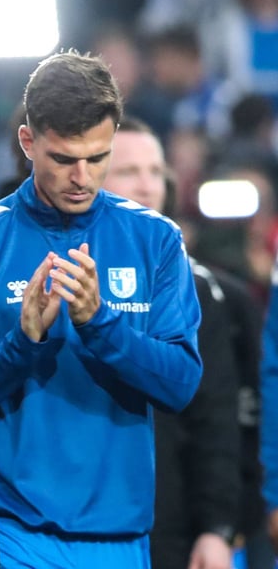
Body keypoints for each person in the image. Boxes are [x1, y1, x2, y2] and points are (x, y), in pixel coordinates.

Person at [0, 50, 203, 568]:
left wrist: (101, 325)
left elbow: (181, 384)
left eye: (97, 158)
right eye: (63, 159)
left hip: (121, 538)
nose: (82, 176)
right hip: (11, 534)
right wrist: (22, 343)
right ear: (28, 142)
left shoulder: (156, 240)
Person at [101, 117, 240, 569]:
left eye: (156, 171)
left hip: (168, 524)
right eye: (128, 171)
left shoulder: (197, 289)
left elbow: (215, 414)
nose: (147, 185)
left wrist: (216, 526)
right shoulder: (54, 275)